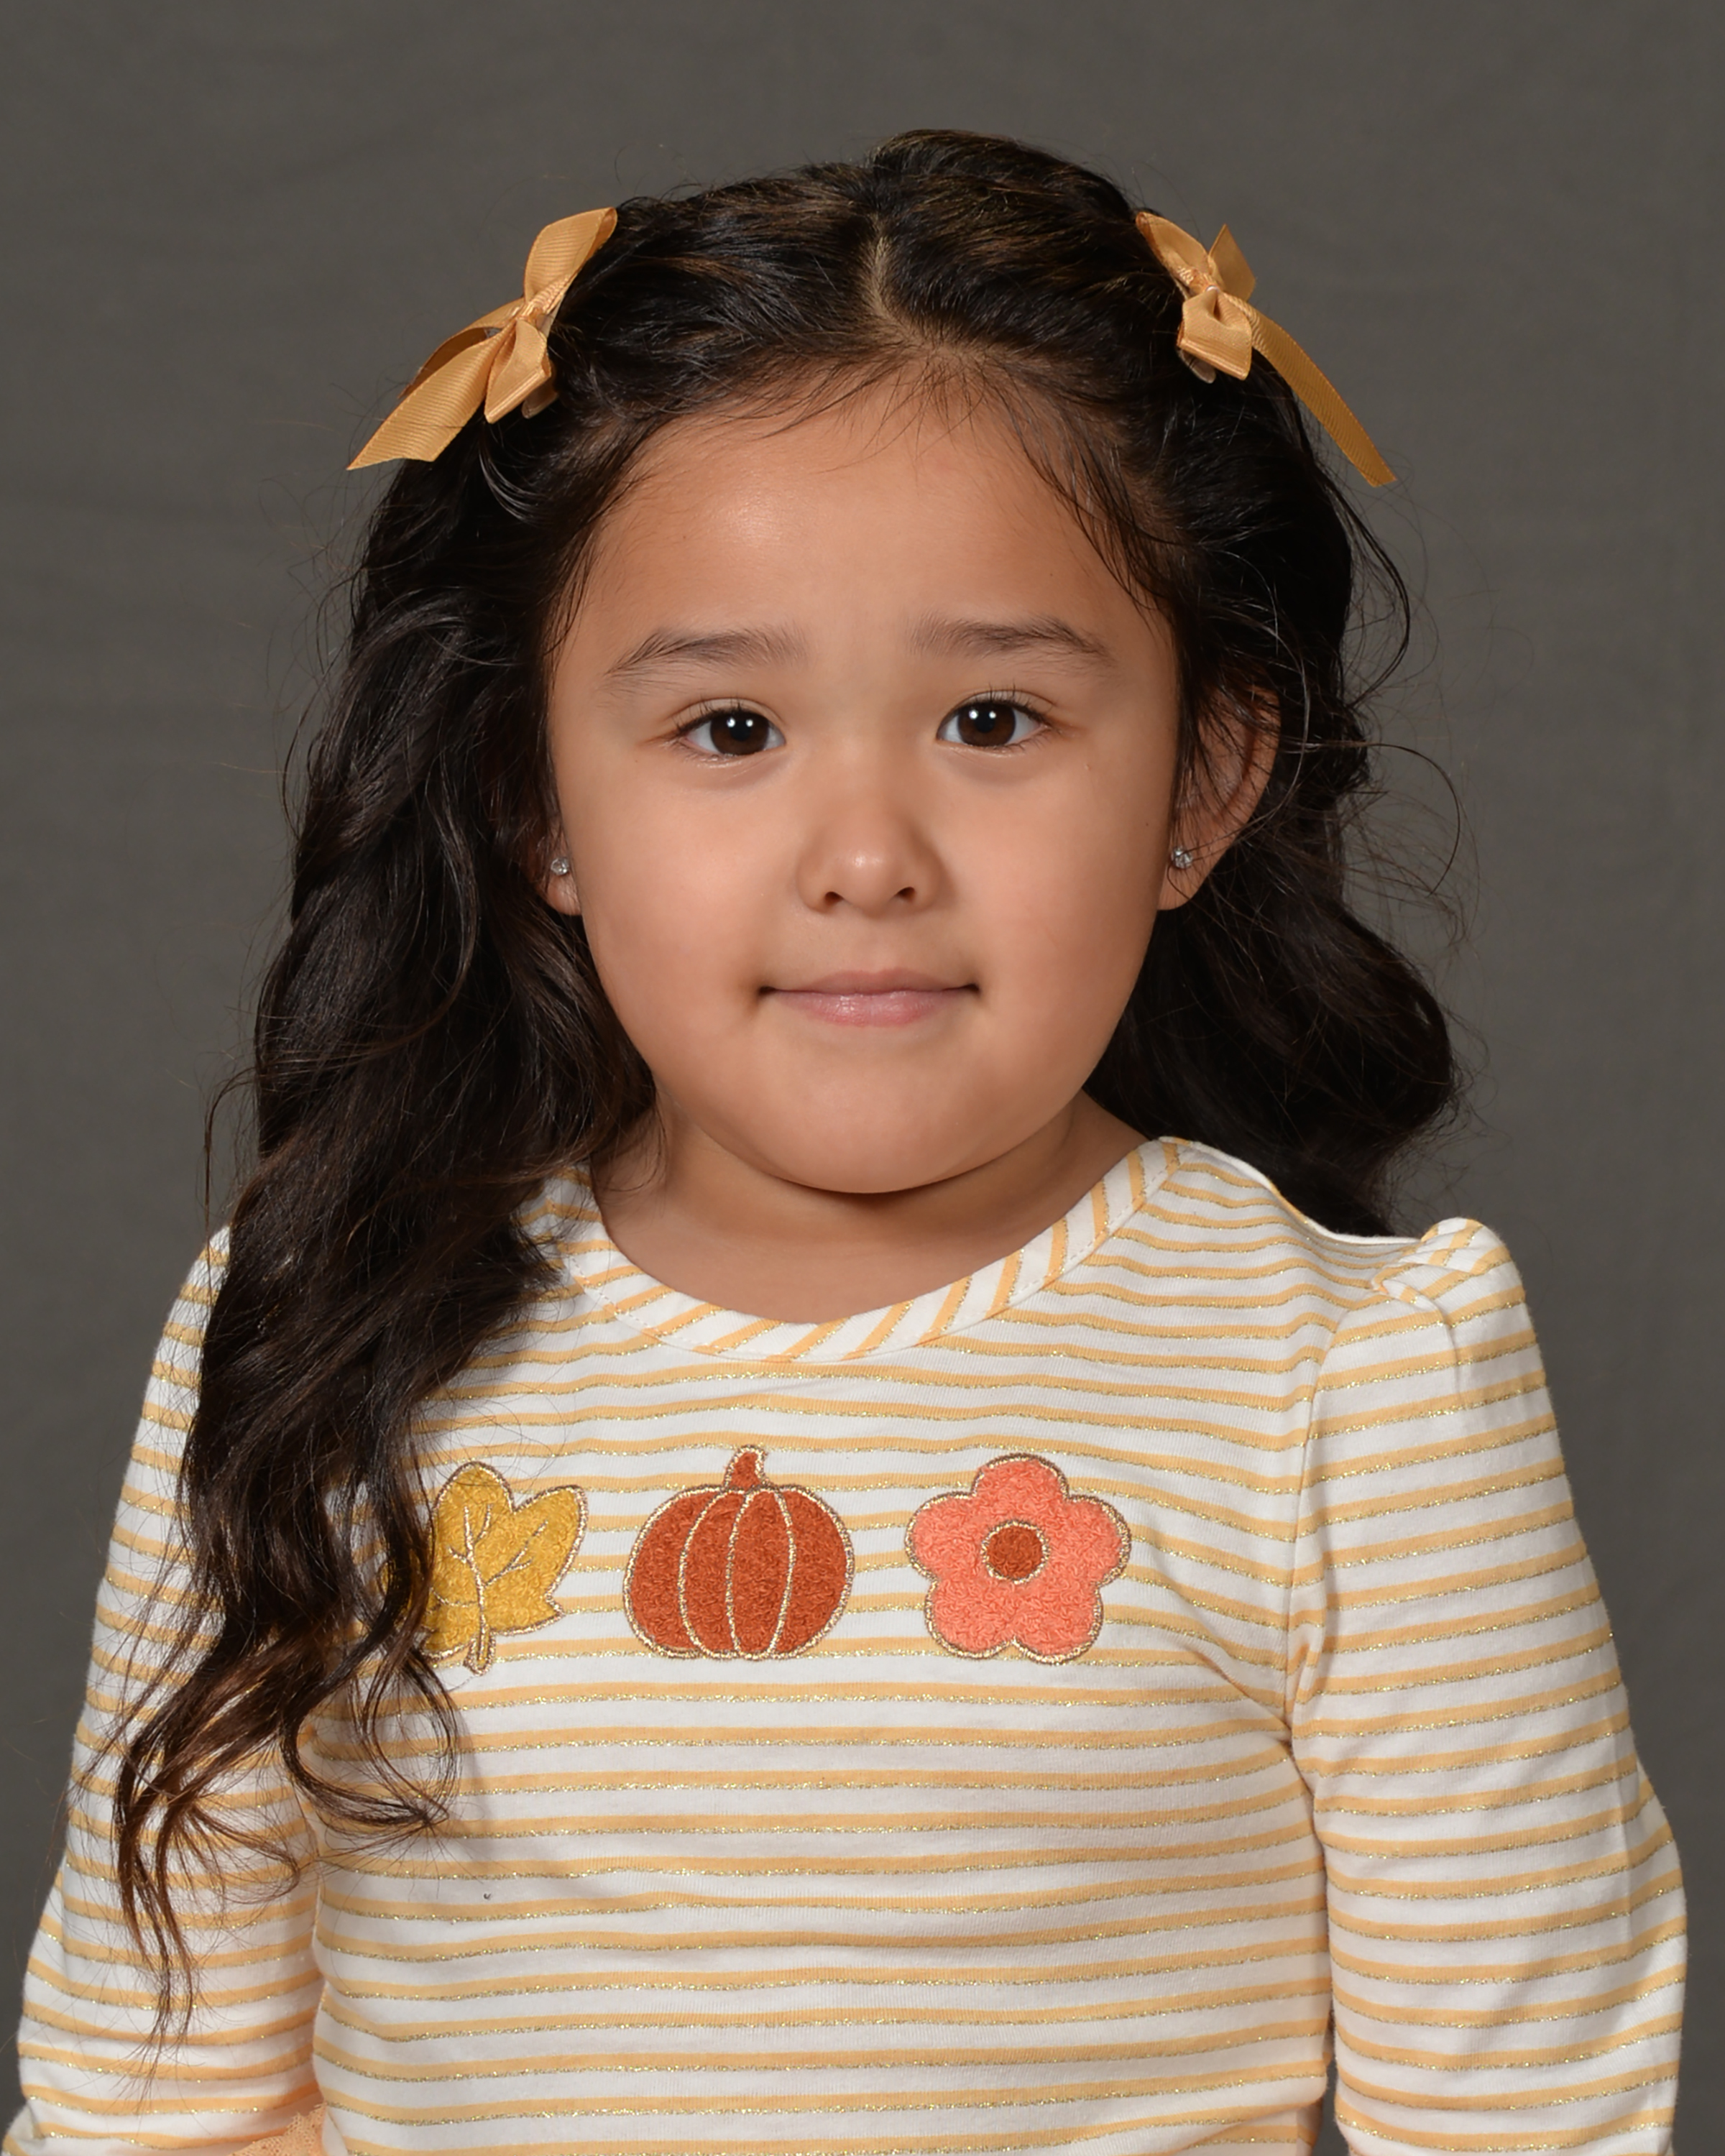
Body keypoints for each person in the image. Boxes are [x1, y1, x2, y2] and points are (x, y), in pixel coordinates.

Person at [9, 131, 1683, 2156]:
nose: (867, 858)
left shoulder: (1351, 1388)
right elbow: (146, 2102)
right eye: (730, 731)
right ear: (532, 798)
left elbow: (1524, 2117)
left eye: (995, 721)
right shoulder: (324, 1324)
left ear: (1204, 779)